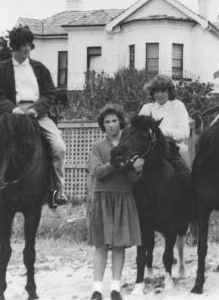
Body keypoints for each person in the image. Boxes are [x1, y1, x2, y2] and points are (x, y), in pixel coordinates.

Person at [0, 25, 67, 208]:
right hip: (12, 115)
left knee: (58, 146)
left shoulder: (39, 68)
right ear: (14, 46)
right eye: (23, 45)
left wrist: (37, 109)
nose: (27, 49)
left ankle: (57, 190)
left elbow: (50, 94)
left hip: (37, 115)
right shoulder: (2, 69)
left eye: (29, 45)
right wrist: (13, 110)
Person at [88, 104, 144, 300]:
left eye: (114, 121)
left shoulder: (129, 147)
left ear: (120, 122)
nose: (111, 125)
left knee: (119, 245)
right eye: (107, 122)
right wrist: (114, 163)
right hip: (103, 198)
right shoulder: (97, 147)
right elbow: (98, 173)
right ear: (102, 126)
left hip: (123, 197)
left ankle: (115, 288)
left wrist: (137, 169)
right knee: (101, 245)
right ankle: (96, 289)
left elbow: (133, 179)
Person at [139, 74, 190, 173]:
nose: (159, 95)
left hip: (172, 152)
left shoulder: (178, 106)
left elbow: (184, 133)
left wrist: (162, 131)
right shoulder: (147, 108)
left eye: (163, 91)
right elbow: (138, 132)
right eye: (156, 91)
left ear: (169, 92)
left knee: (185, 177)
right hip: (150, 152)